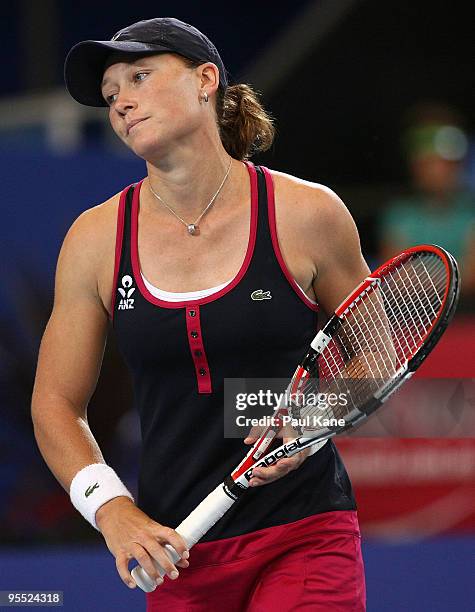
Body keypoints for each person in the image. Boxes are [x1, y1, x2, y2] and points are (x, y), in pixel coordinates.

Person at [32, 18, 368, 611]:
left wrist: (315, 415)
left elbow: (383, 345)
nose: (122, 103)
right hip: (178, 553)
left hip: (305, 532)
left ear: (206, 79)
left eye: (139, 77)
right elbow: (56, 405)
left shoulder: (307, 213)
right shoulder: (94, 239)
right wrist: (112, 511)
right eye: (111, 95)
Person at [379, 102, 475, 304]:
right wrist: (454, 280)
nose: (435, 172)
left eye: (442, 164)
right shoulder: (398, 216)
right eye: (427, 164)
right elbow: (394, 281)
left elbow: (472, 279)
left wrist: (419, 280)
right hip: (413, 323)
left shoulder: (471, 214)